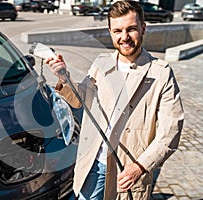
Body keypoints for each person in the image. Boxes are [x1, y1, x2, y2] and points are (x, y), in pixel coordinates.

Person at [46, 0, 184, 199]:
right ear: (110, 31)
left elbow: (170, 131)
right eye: (117, 31)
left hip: (127, 173)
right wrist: (63, 76)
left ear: (143, 28)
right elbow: (80, 99)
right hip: (92, 163)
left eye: (131, 29)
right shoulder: (102, 63)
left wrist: (139, 167)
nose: (124, 37)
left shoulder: (161, 74)